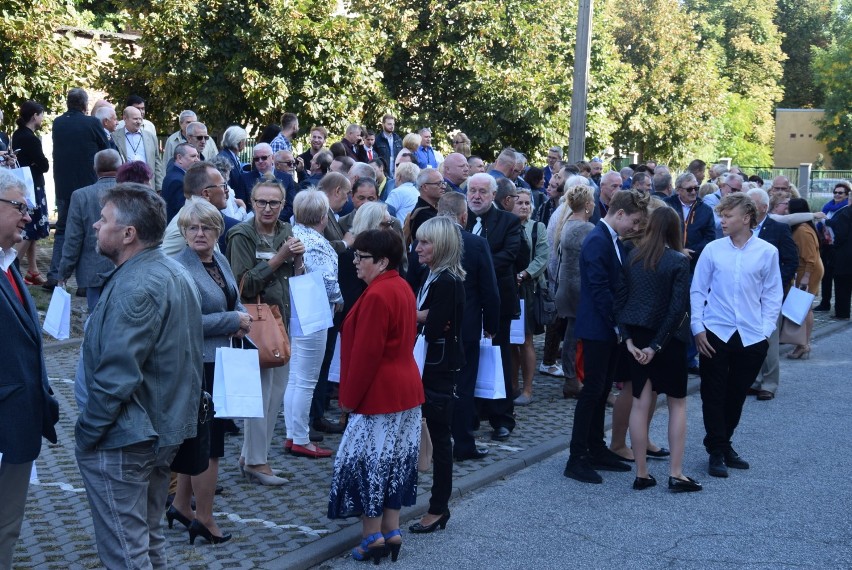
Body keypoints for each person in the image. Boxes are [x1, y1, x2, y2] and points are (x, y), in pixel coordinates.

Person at [75, 183, 202, 569]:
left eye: (105, 219)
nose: (96, 226)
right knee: (147, 543)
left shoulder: (139, 285)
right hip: (156, 432)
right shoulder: (168, 272)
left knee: (127, 552)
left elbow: (117, 375)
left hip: (127, 439)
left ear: (128, 234)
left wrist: (88, 432)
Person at [328, 229, 424, 563]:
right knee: (395, 462)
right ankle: (391, 530)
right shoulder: (401, 287)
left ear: (382, 261)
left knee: (369, 465)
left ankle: (372, 537)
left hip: (379, 393)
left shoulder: (378, 294)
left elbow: (367, 355)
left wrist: (348, 400)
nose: (355, 262)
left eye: (361, 257)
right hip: (405, 388)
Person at [169, 199, 252, 545]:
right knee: (210, 445)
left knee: (199, 439)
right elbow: (183, 321)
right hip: (198, 364)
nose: (199, 233)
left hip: (222, 361)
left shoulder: (217, 259)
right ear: (183, 231)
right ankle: (204, 517)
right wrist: (233, 321)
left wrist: (242, 316)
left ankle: (179, 505)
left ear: (218, 231)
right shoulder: (178, 267)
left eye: (206, 227)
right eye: (192, 228)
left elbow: (233, 299)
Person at [691, 193, 782, 478]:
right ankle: (717, 450)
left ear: (746, 218)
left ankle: (722, 442)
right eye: (722, 216)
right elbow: (697, 289)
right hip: (715, 332)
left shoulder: (767, 251)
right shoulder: (713, 250)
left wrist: (765, 331)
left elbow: (772, 295)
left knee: (736, 395)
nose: (723, 221)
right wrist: (698, 327)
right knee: (712, 394)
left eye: (728, 216)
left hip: (752, 336)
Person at [563, 189, 648, 485]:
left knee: (600, 392)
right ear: (620, 214)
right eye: (634, 222)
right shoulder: (598, 240)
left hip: (608, 328)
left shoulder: (611, 239)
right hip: (599, 328)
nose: (635, 229)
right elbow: (600, 291)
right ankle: (576, 458)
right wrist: (619, 327)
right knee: (592, 392)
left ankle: (596, 448)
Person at [616, 207, 701, 492]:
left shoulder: (632, 257)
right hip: (669, 340)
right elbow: (678, 309)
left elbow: (621, 301)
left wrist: (628, 340)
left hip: (638, 337)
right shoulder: (678, 261)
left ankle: (641, 473)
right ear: (675, 230)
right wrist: (657, 345)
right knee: (677, 403)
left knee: (640, 402)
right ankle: (676, 473)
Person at [0, 171, 59, 569]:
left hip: (17, 421)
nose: (28, 216)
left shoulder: (9, 263)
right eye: (20, 207)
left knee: (6, 527)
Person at [227, 179, 304, 485]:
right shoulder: (241, 234)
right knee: (259, 395)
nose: (267, 208)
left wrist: (298, 261)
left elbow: (295, 279)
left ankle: (251, 456)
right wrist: (280, 258)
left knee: (275, 395)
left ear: (283, 205)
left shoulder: (286, 231)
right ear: (252, 201)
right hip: (254, 324)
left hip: (281, 321)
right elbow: (242, 285)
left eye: (274, 203)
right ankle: (257, 462)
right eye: (261, 202)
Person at [409, 217, 466, 534]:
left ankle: (438, 507)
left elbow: (432, 326)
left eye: (425, 242)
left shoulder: (447, 281)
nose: (418, 247)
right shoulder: (433, 276)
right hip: (430, 364)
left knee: (441, 439)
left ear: (441, 245)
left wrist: (411, 312)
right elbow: (431, 319)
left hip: (439, 369)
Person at [285, 190, 342, 458]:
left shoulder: (292, 234)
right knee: (305, 379)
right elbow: (327, 280)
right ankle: (300, 438)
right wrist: (339, 297)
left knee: (295, 377)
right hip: (313, 311)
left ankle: (292, 434)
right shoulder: (316, 242)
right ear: (323, 215)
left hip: (295, 310)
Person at [59, 149, 121, 312]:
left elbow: (73, 238)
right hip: (125, 267)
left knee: (96, 318)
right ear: (120, 167)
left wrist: (64, 272)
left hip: (93, 270)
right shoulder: (131, 192)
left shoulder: (81, 196)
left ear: (95, 168)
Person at [554, 184, 595, 399]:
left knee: (571, 332)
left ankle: (572, 377)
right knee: (577, 335)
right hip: (580, 288)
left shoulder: (566, 224)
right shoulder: (586, 229)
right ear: (588, 205)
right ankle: (574, 377)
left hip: (565, 286)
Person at [509, 188, 548, 405]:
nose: (524, 206)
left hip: (529, 290)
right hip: (509, 288)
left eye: (527, 203)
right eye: (520, 202)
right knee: (510, 342)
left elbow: (543, 257)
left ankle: (528, 389)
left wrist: (524, 274)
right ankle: (513, 386)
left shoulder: (537, 227)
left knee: (525, 340)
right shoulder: (506, 225)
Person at [10, 101, 50, 285]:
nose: (43, 118)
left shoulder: (17, 135)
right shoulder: (31, 139)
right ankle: (12, 267)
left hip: (24, 184)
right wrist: (36, 163)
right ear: (34, 115)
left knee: (33, 230)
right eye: (41, 114)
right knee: (31, 228)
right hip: (34, 187)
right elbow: (44, 165)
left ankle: (32, 270)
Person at [786, 198, 824, 359]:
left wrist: (806, 277)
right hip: (808, 270)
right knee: (804, 308)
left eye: (789, 209)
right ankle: (802, 344)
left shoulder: (802, 230)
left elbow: (809, 257)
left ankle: (803, 344)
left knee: (804, 308)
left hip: (807, 272)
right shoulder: (804, 227)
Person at [815, 182, 850, 312]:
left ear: (846, 195)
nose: (837, 195)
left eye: (840, 193)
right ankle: (825, 303)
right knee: (826, 276)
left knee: (839, 277)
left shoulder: (846, 209)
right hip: (826, 246)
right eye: (835, 192)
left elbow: (840, 225)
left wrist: (824, 221)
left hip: (838, 247)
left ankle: (840, 308)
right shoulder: (828, 207)